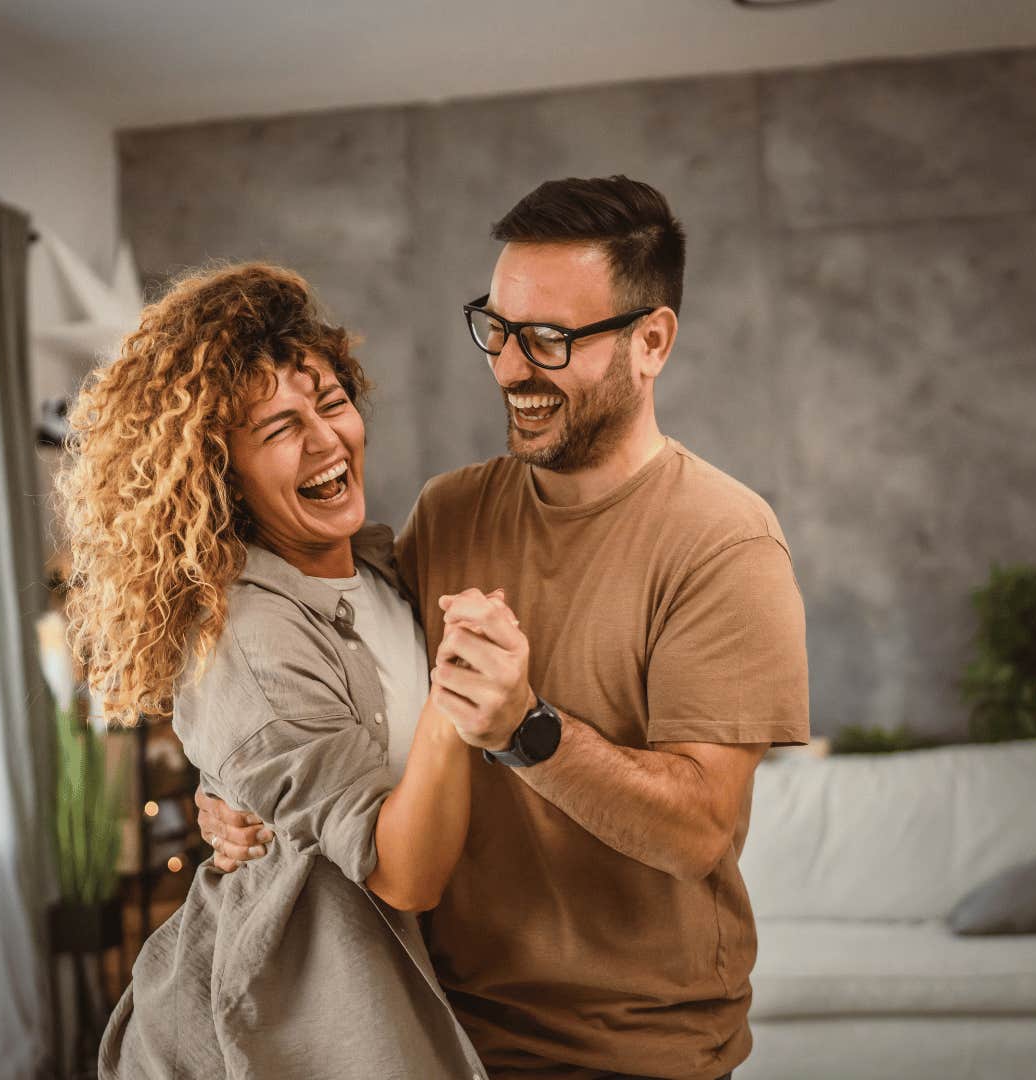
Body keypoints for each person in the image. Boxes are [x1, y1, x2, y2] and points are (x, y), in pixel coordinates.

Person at [200, 175, 811, 1080]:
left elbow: (699, 833)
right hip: (443, 1034)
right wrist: (241, 793)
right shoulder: (449, 512)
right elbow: (367, 692)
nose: (512, 366)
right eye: (498, 327)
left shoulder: (725, 543)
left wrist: (529, 732)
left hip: (637, 1054)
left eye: (551, 340)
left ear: (652, 342)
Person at [55, 263, 492, 1078]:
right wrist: (462, 696)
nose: (327, 438)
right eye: (280, 428)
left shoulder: (379, 568)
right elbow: (405, 873)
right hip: (292, 1028)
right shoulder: (247, 639)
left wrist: (229, 790)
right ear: (225, 473)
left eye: (330, 403)